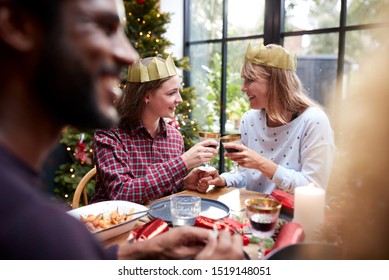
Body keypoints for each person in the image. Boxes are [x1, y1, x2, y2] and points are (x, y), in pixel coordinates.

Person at [0, 0, 243, 260]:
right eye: (103, 27)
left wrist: (147, 249)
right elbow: (122, 194)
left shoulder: (172, 135)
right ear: (18, 25)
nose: (129, 55)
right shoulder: (37, 230)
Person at [200, 43, 335, 194]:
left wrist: (261, 163)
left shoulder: (314, 121)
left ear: (276, 83)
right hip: (254, 213)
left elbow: (313, 187)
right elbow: (246, 174)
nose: (243, 88)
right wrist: (224, 180)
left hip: (296, 216)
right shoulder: (249, 120)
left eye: (250, 80)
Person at [90, 54, 218, 205]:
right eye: (171, 93)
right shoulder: (110, 134)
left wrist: (183, 184)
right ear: (147, 96)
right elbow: (122, 194)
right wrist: (182, 163)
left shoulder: (174, 137)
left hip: (156, 221)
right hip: (114, 224)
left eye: (178, 91)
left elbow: (162, 192)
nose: (179, 99)